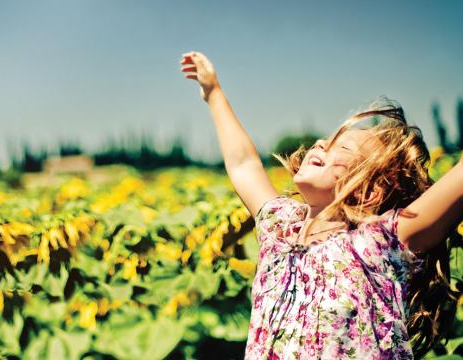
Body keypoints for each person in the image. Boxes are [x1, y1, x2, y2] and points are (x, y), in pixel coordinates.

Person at [180, 50, 463, 359]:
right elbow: (244, 164)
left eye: (340, 146)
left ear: (372, 191)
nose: (320, 144)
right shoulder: (281, 228)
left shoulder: (378, 243)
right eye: (324, 140)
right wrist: (213, 91)